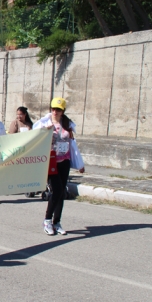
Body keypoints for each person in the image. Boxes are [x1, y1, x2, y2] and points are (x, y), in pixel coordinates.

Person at [33, 97, 85, 236]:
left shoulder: (67, 124)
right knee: (56, 190)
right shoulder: (45, 122)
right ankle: (47, 220)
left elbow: (72, 145)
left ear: (63, 111)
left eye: (58, 110)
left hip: (65, 161)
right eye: (53, 109)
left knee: (61, 192)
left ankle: (57, 222)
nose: (55, 112)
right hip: (51, 161)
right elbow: (34, 136)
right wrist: (45, 130)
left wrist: (79, 163)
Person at [9, 107, 36, 197]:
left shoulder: (29, 124)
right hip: (18, 150)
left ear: (25, 115)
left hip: (28, 150)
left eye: (21, 114)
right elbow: (11, 136)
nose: (19, 116)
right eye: (17, 114)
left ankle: (27, 186)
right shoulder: (15, 123)